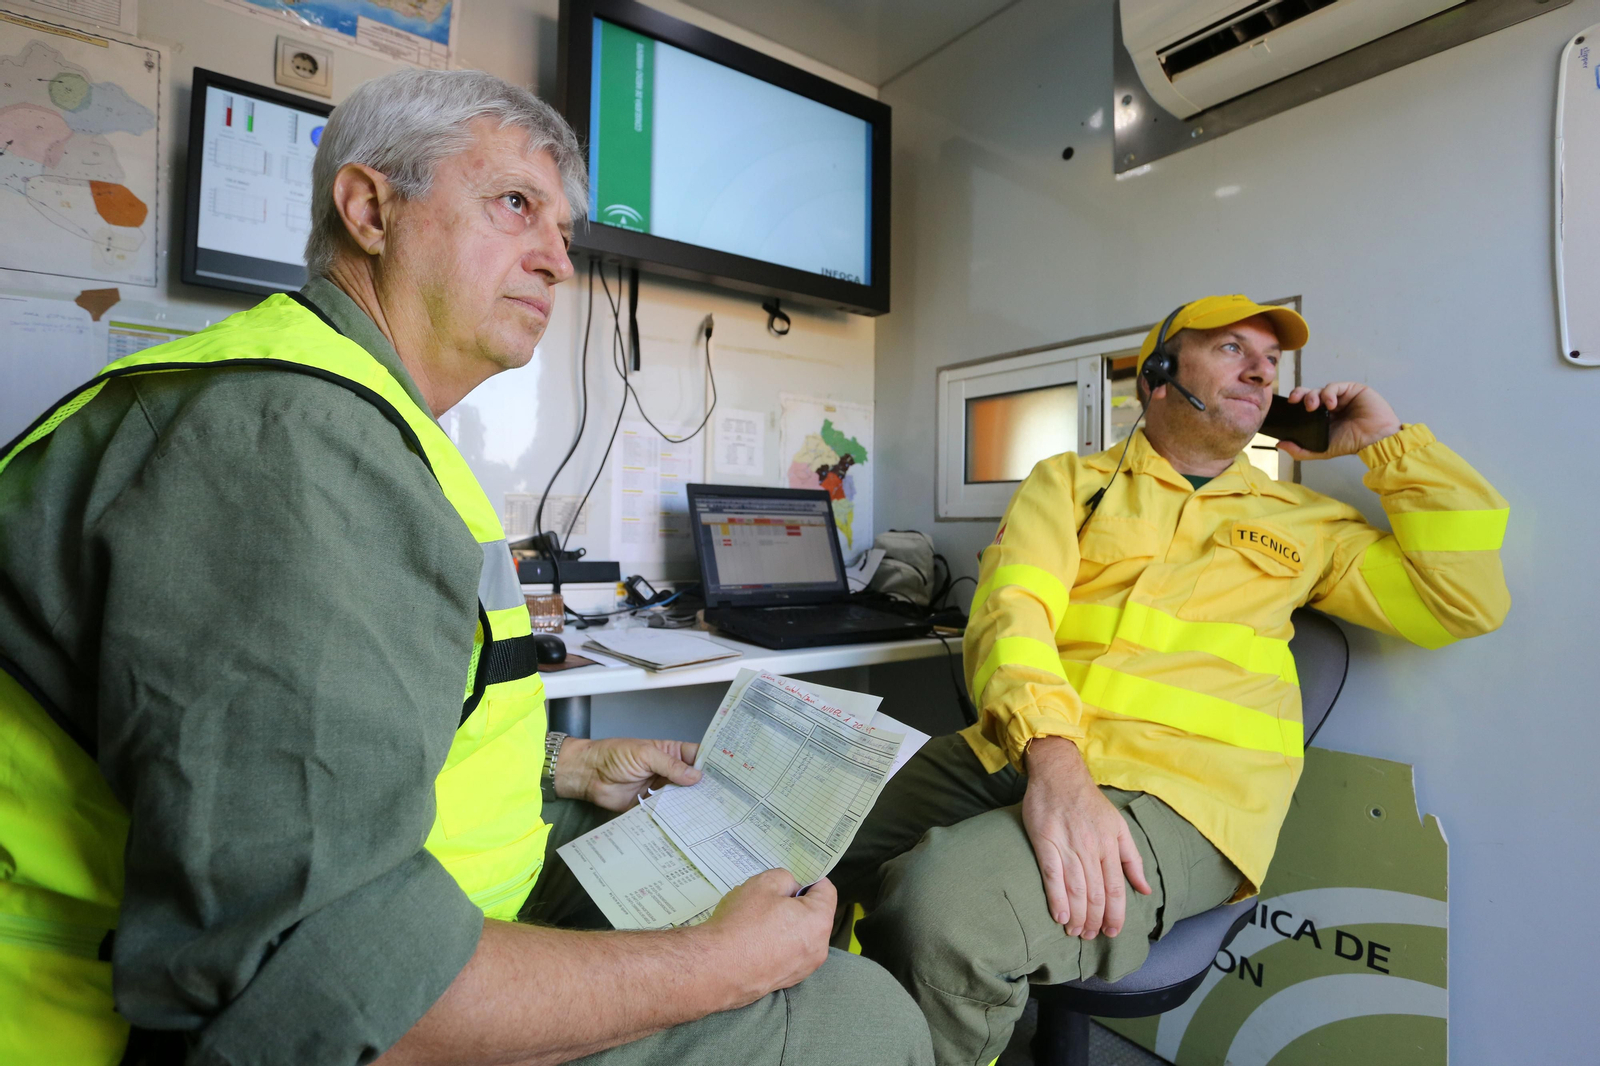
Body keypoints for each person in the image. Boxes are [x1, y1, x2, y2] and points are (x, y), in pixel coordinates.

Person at [0, 69, 932, 1066]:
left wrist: (562, 762)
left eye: (564, 233)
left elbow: (357, 725)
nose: (556, 261)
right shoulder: (290, 439)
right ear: (369, 209)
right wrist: (717, 965)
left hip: (440, 884)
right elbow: (315, 976)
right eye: (514, 205)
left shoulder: (366, 416)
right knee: (862, 1015)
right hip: (180, 1017)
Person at [833, 294, 1510, 1064]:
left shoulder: (1306, 522)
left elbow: (1462, 602)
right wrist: (1053, 760)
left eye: (1271, 361)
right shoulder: (1070, 483)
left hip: (1186, 797)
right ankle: (819, 1030)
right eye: (1230, 348)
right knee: (810, 830)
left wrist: (1386, 446)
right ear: (1158, 376)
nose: (1260, 368)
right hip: (1027, 749)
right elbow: (1010, 609)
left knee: (943, 910)